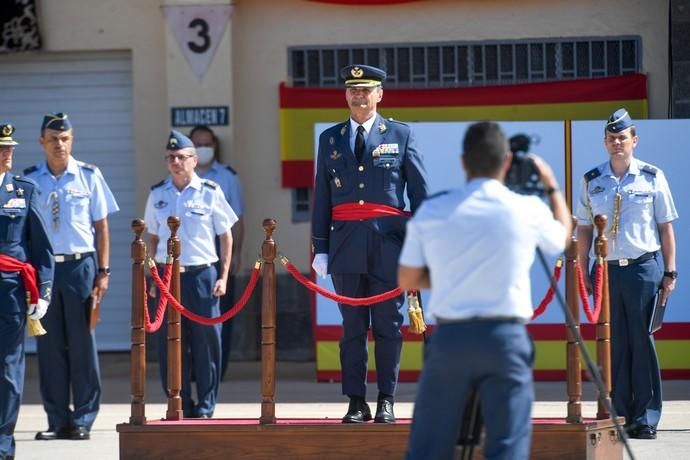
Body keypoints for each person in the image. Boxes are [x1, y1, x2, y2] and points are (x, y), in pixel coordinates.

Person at [400, 122, 571, 460]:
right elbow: (563, 239)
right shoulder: (527, 209)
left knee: (429, 446)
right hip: (504, 339)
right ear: (506, 162)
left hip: (450, 340)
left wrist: (452, 277)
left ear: (463, 162)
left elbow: (407, 278)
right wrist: (551, 186)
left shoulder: (434, 209)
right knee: (506, 446)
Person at [311, 64, 429, 424]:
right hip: (345, 244)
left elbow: (420, 195)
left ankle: (387, 399)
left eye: (366, 90)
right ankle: (356, 400)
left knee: (389, 326)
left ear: (380, 94)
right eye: (353, 90)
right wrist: (320, 248)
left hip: (389, 245)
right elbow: (322, 197)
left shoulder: (400, 134)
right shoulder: (330, 138)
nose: (358, 96)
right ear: (346, 95)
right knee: (351, 328)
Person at [575, 108, 678, 440]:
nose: (617, 142)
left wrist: (670, 272)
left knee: (642, 343)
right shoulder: (592, 180)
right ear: (604, 142)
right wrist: (582, 269)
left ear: (634, 140)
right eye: (611, 138)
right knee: (613, 344)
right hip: (606, 271)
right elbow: (584, 229)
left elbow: (665, 229)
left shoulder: (651, 176)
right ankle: (617, 414)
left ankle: (645, 417)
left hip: (643, 269)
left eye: (622, 137)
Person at [25, 113, 119, 441]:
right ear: (42, 142)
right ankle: (56, 419)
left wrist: (103, 272)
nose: (59, 144)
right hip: (45, 271)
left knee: (82, 345)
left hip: (81, 267)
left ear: (72, 140)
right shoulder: (30, 180)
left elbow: (102, 227)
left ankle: (82, 418)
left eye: (65, 138)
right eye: (53, 139)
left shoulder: (89, 176)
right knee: (48, 347)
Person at [144, 130, 237, 418]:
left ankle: (206, 405)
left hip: (201, 275)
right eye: (171, 157)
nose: (176, 162)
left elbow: (226, 236)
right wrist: (151, 278)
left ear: (194, 160)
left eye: (182, 157)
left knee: (206, 342)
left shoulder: (210, 191)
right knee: (170, 343)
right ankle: (178, 400)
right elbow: (151, 238)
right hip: (167, 276)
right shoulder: (158, 193)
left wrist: (223, 275)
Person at [0, 124, 54, 460]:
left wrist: (43, 292)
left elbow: (42, 246)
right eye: (1, 149)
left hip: (10, 292)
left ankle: (3, 444)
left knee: (8, 369)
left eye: (9, 149)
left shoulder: (24, 190)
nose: (7, 154)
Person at [189, 125, 244, 380]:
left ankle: (216, 371)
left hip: (220, 252)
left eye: (207, 144)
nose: (203, 148)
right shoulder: (179, 178)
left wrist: (234, 257)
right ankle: (190, 371)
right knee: (189, 319)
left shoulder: (227, 177)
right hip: (190, 255)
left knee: (220, 316)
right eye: (197, 143)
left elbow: (237, 221)